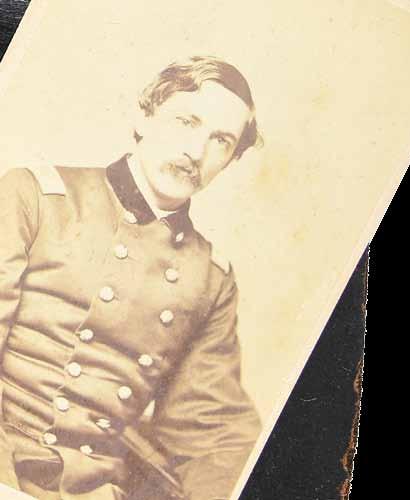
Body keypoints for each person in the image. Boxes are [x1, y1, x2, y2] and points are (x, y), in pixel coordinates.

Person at [0, 55, 262, 500]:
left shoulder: (211, 277)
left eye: (220, 141)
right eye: (187, 122)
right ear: (143, 117)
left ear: (230, 160)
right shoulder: (34, 196)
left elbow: (212, 430)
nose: (196, 152)